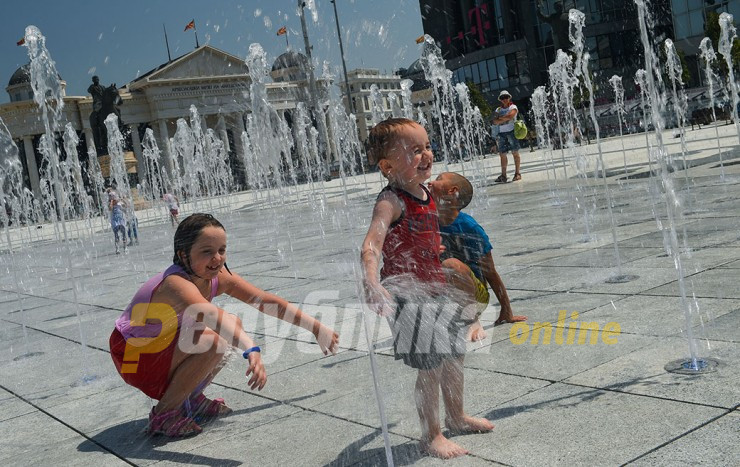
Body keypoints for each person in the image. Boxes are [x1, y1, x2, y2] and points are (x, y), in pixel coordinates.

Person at [109, 213, 339, 437]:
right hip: (132, 357)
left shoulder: (216, 277)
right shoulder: (175, 283)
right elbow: (210, 315)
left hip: (156, 346)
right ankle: (164, 414)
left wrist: (316, 327)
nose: (217, 258)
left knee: (232, 324)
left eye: (222, 250)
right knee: (216, 339)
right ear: (183, 254)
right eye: (207, 252)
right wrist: (251, 348)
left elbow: (266, 302)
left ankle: (190, 397)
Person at [360, 118, 493, 459]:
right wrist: (372, 282)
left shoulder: (425, 191)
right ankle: (431, 434)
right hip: (408, 297)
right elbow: (371, 245)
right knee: (430, 367)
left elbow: (449, 200)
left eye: (427, 146)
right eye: (414, 150)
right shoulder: (391, 201)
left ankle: (457, 416)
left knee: (454, 355)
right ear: (387, 166)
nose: (427, 155)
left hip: (435, 290)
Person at [429, 172, 527, 342]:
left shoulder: (468, 226)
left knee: (451, 265)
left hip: (475, 295)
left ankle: (472, 320)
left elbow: (490, 272)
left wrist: (506, 309)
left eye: (438, 180)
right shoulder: (429, 222)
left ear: (452, 191)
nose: (430, 182)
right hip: (446, 293)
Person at [492, 90, 521, 183]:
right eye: (502, 98)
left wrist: (500, 119)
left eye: (506, 97)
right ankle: (503, 175)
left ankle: (517, 173)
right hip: (501, 133)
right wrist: (505, 117)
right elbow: (494, 121)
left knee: (515, 153)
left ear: (509, 98)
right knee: (502, 154)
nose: (504, 99)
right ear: (500, 99)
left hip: (512, 132)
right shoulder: (498, 109)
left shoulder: (513, 107)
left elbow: (511, 116)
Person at [107, 187, 127, 254]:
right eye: (111, 197)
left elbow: (126, 206)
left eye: (113, 196)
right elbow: (110, 209)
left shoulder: (119, 203)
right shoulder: (110, 204)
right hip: (115, 221)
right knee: (116, 235)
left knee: (124, 233)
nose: (113, 198)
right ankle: (117, 248)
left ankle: (125, 247)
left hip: (121, 219)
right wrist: (112, 202)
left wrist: (122, 200)